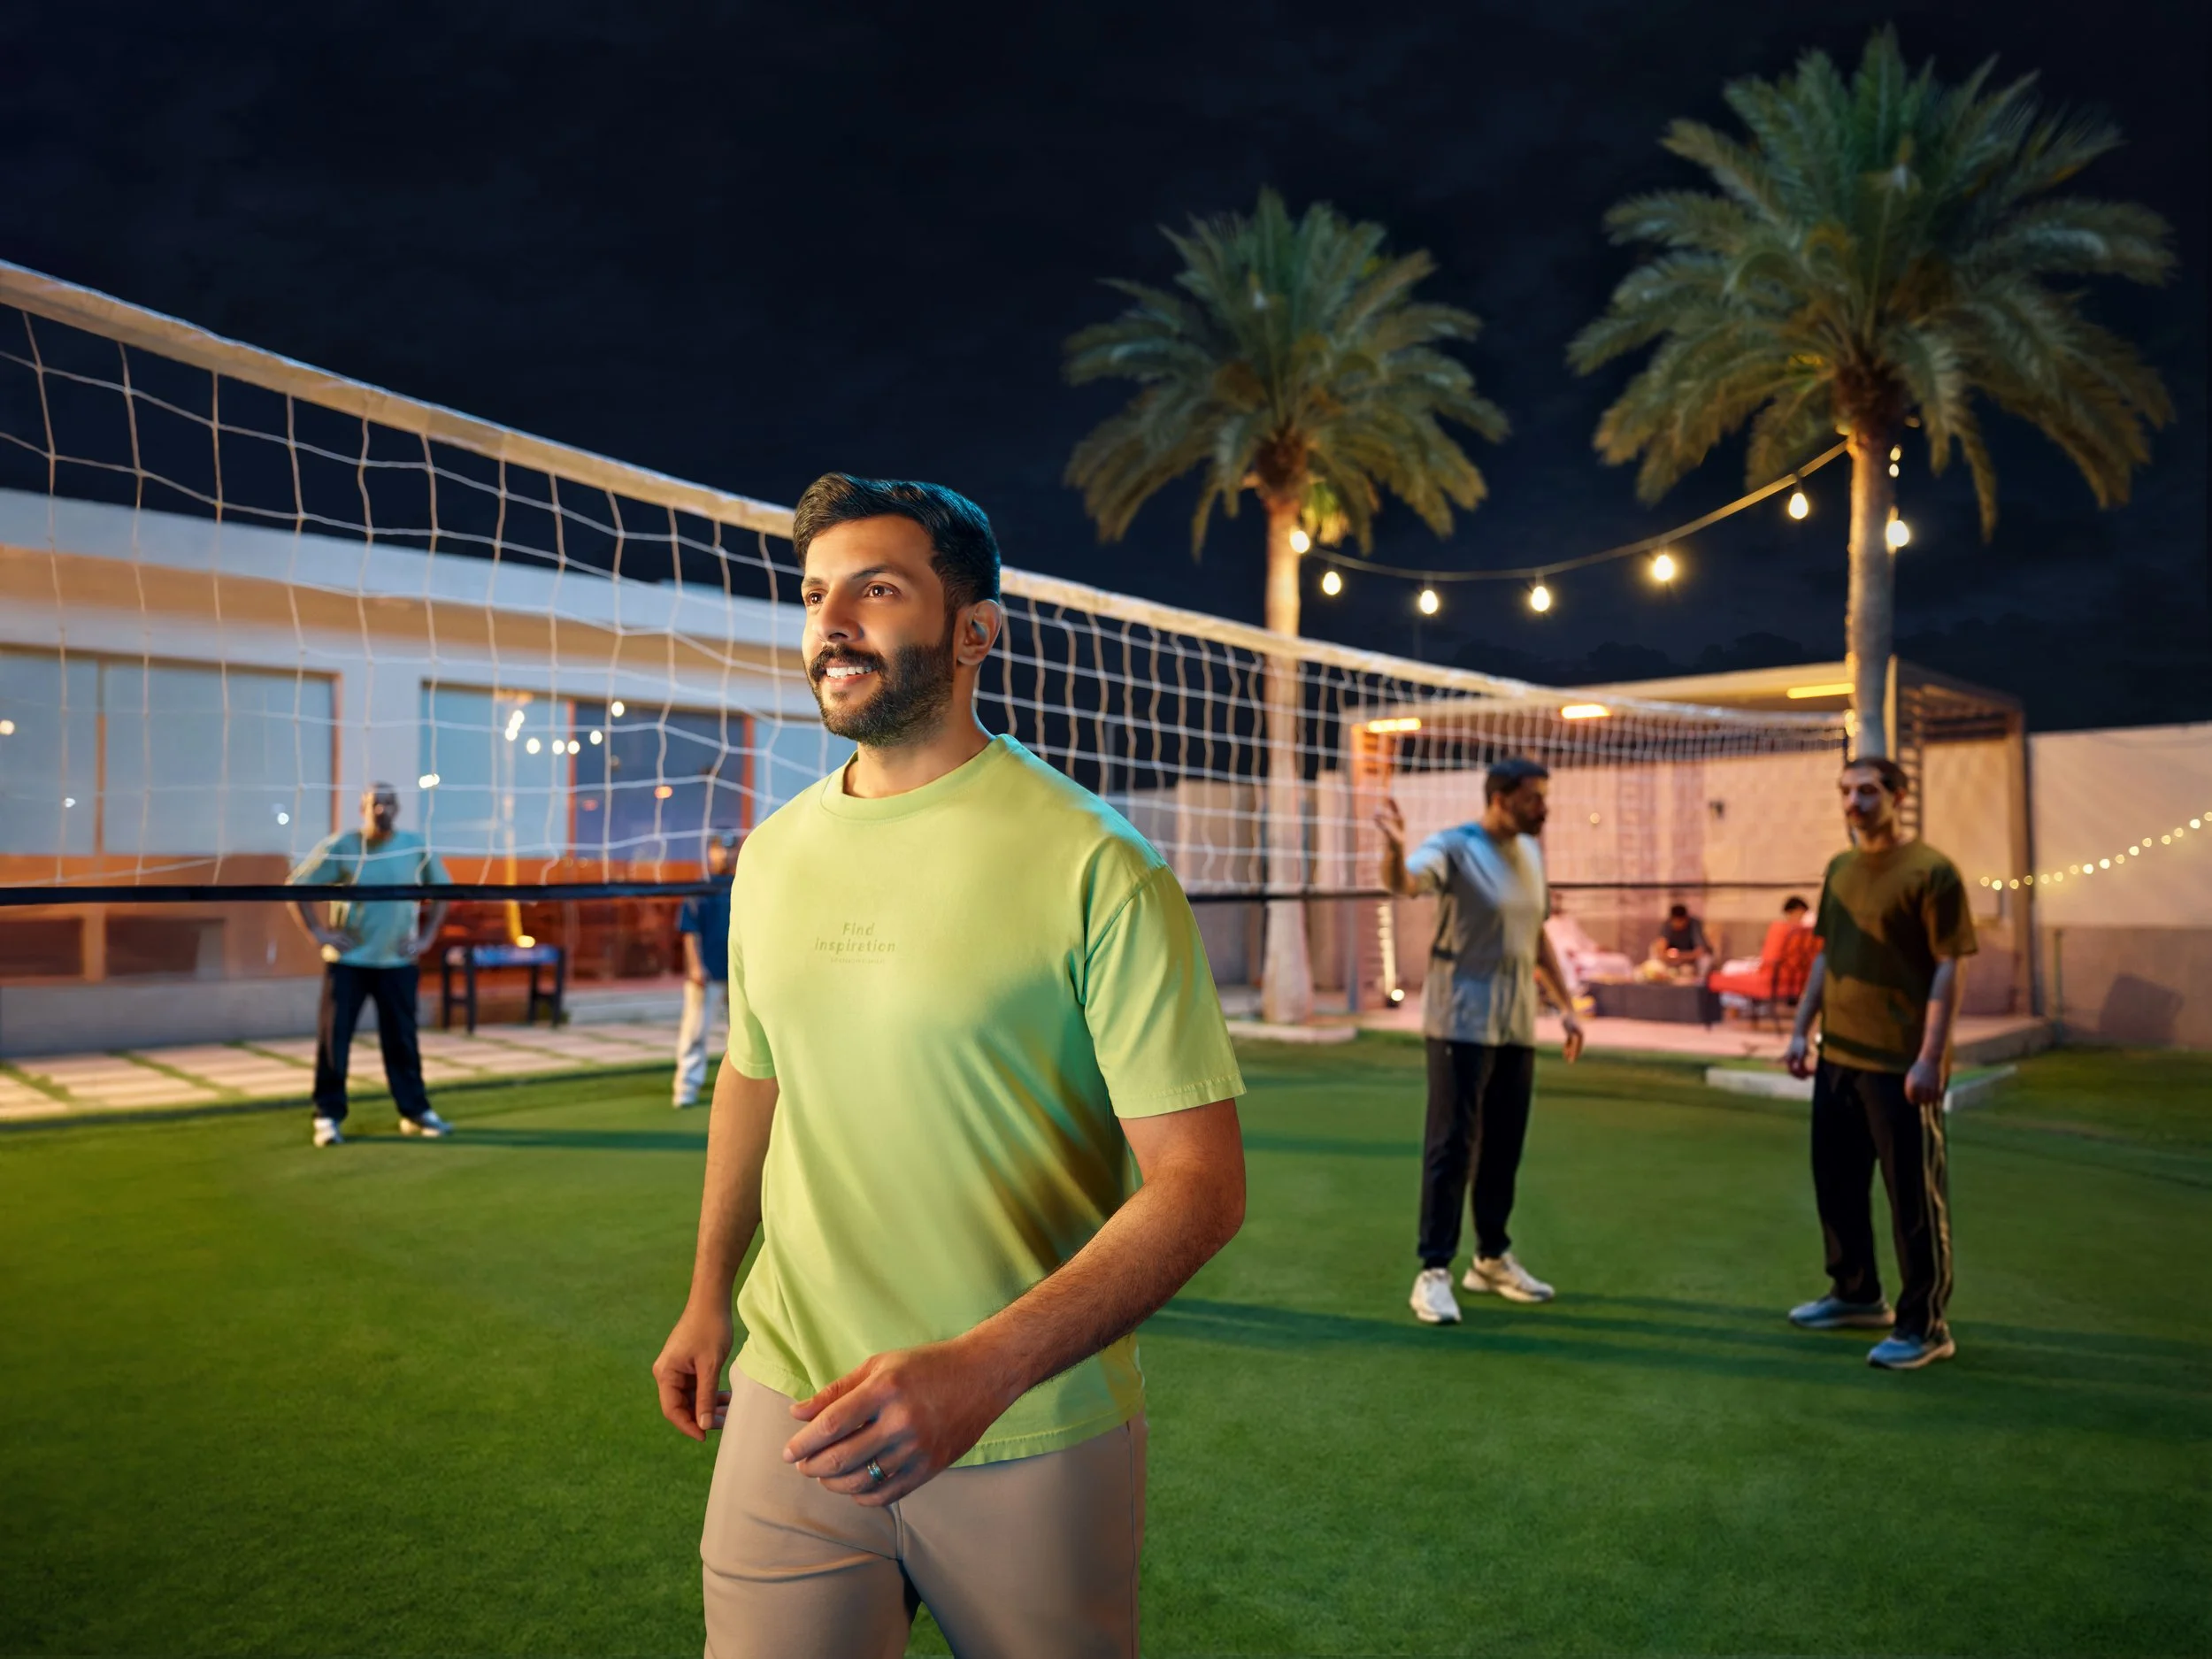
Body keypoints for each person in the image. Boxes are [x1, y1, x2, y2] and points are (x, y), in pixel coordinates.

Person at [649, 473, 1246, 1659]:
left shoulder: (1100, 863)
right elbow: (754, 1078)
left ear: (975, 629)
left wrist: (986, 1366)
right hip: (793, 1402)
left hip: (1026, 1420)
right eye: (816, 592)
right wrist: (712, 1287)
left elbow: (1200, 1184)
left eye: (877, 589)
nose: (831, 622)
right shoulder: (771, 857)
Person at [1783, 756, 1977, 1371]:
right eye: (1846, 791)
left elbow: (1950, 965)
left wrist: (1929, 1058)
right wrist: (1799, 1029)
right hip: (1838, 1056)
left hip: (1901, 1066)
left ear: (1898, 794)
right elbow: (1825, 956)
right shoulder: (1839, 869)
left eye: (1867, 791)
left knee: (1913, 1199)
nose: (1854, 802)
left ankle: (1925, 1324)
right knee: (1836, 1185)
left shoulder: (1933, 873)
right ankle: (1856, 1292)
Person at [1376, 756, 1585, 1326]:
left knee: (1502, 1146)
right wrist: (1395, 847)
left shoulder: (1532, 853)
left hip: (1515, 1025)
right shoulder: (1455, 846)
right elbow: (1405, 882)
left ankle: (1490, 1258)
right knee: (1452, 1146)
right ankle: (1434, 1270)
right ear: (1500, 796)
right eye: (1534, 797)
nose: (1544, 807)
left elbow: (1534, 935)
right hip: (1459, 1023)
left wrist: (1566, 1009)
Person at [287, 782, 454, 1148]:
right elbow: (296, 886)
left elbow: (443, 891)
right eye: (375, 803)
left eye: (389, 803)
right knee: (335, 1041)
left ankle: (414, 1112)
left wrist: (425, 939)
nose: (382, 809)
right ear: (363, 807)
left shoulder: (414, 845)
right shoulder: (342, 846)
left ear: (398, 808)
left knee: (402, 1042)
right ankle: (328, 1117)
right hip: (349, 962)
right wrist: (318, 933)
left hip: (397, 962)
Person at [672, 833, 736, 1109]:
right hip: (707, 975)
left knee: (742, 1037)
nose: (725, 854)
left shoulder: (745, 885)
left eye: (730, 849)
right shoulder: (701, 888)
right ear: (711, 852)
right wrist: (696, 967)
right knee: (695, 1032)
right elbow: (690, 931)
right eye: (719, 849)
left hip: (739, 975)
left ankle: (739, 1093)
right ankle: (686, 1087)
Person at [1709, 895, 1811, 1002]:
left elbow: (1774, 958)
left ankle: (1735, 1008)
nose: (1789, 919)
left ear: (1799, 910)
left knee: (1729, 967)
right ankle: (1741, 1007)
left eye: (1790, 915)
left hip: (1774, 973)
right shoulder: (1810, 931)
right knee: (1735, 966)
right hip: (1792, 974)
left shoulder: (1791, 930)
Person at [1645, 902, 1712, 981]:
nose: (1677, 924)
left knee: (1705, 959)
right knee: (1653, 949)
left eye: (1680, 921)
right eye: (1675, 921)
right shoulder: (1667, 925)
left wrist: (1681, 956)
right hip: (1671, 957)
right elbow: (1661, 947)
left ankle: (1700, 981)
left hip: (1690, 957)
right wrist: (1667, 955)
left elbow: (1699, 951)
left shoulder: (1694, 925)